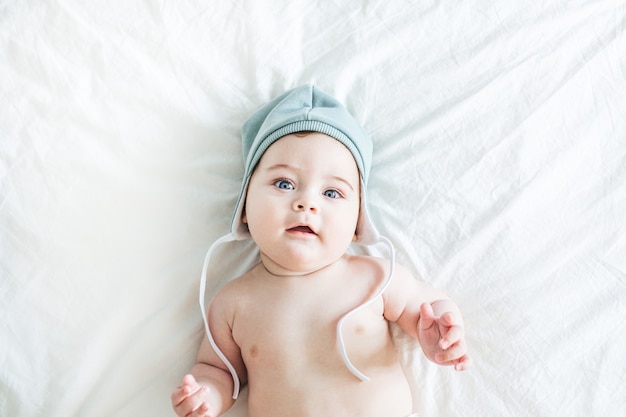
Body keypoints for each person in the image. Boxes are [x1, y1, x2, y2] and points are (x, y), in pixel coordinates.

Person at [171, 84, 471, 417]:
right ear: (244, 207)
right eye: (284, 184)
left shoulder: (374, 278)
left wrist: (441, 331)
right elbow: (217, 370)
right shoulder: (232, 303)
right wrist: (206, 394)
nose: (306, 203)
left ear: (358, 221)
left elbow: (426, 306)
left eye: (331, 193)